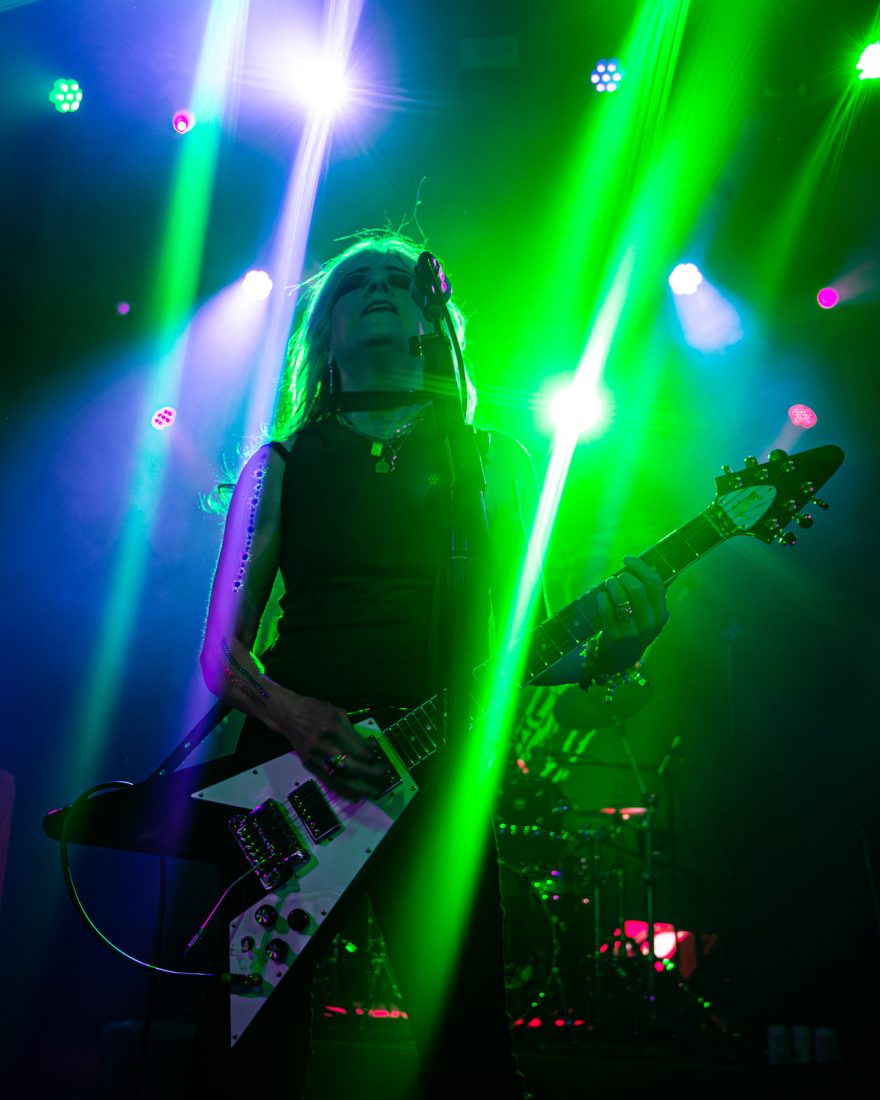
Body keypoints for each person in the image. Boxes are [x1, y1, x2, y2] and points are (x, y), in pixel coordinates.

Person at [186, 231, 669, 1098]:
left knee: (470, 1054)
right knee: (252, 1053)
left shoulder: (495, 461)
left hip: (440, 774)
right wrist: (299, 717)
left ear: (431, 317)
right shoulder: (279, 465)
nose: (379, 287)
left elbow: (532, 650)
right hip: (293, 772)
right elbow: (221, 652)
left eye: (397, 281)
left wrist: (618, 643)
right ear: (325, 334)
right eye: (355, 284)